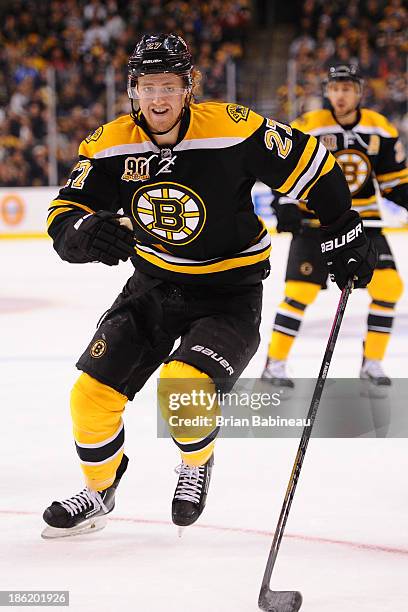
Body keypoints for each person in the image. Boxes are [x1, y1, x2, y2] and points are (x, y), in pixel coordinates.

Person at [42, 38, 375, 538]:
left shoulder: (233, 129)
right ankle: (99, 489)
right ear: (133, 89)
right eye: (148, 86)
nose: (159, 99)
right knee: (89, 396)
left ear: (187, 89)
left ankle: (195, 462)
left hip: (229, 290)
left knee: (183, 389)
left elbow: (316, 166)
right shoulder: (108, 144)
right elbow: (64, 213)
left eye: (170, 87)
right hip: (153, 283)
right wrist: (80, 233)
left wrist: (343, 229)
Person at [262, 64, 407, 388]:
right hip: (317, 223)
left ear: (358, 92)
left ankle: (372, 362)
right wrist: (284, 204)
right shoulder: (307, 126)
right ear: (327, 92)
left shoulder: (379, 128)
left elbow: (394, 182)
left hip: (364, 224)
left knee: (388, 287)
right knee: (299, 291)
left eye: (347, 88)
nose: (340, 95)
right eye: (335, 88)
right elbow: (281, 170)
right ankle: (275, 363)